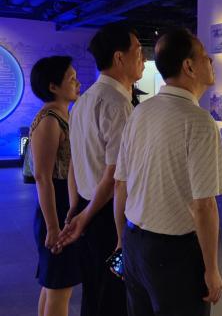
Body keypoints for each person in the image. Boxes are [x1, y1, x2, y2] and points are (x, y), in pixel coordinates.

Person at [114, 28, 222, 316]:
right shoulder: (199, 122)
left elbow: (120, 184)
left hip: (134, 242)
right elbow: (204, 205)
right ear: (189, 66)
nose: (211, 60)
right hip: (174, 254)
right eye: (204, 55)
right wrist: (212, 269)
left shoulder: (140, 112)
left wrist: (122, 241)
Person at [58, 23, 144, 316]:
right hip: (107, 214)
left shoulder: (83, 101)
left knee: (93, 292)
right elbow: (115, 176)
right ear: (120, 58)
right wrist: (86, 216)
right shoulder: (117, 103)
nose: (143, 60)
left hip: (87, 206)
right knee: (113, 297)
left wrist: (76, 207)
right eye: (138, 52)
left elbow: (75, 161)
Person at [28, 56, 82, 316]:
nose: (77, 83)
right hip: (56, 206)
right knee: (59, 288)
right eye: (71, 79)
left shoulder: (62, 116)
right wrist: (53, 227)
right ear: (53, 86)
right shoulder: (50, 120)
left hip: (62, 203)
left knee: (53, 285)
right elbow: (43, 177)